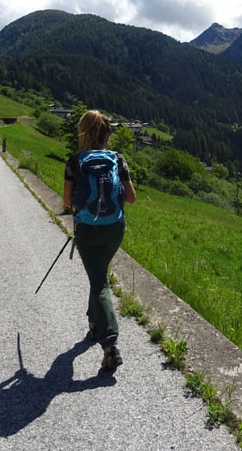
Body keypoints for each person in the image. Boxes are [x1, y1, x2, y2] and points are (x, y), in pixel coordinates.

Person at [63, 110, 136, 371]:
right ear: (106, 135)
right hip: (114, 229)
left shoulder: (75, 161)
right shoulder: (117, 159)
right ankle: (94, 322)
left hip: (88, 231)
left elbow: (68, 201)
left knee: (99, 281)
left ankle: (110, 344)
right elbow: (131, 198)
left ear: (84, 132)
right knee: (99, 276)